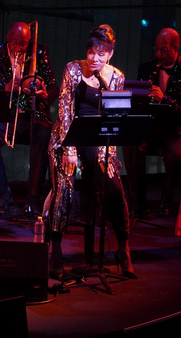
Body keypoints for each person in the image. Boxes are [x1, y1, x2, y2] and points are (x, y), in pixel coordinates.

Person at [47, 24, 136, 280]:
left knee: (114, 186)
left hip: (99, 139)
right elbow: (64, 110)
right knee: (64, 185)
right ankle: (56, 250)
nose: (94, 59)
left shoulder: (116, 76)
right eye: (91, 52)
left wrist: (108, 154)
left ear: (110, 53)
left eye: (101, 53)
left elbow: (114, 118)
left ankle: (123, 248)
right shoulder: (73, 69)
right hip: (67, 138)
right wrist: (69, 149)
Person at [0, 22, 58, 216]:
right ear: (8, 38)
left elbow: (52, 85)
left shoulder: (39, 53)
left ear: (29, 41)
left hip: (32, 113)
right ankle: (3, 194)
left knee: (42, 136)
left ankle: (33, 200)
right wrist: (7, 88)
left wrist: (43, 91)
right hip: (6, 114)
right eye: (15, 43)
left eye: (23, 44)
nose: (18, 47)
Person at [126, 28, 181, 217]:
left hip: (175, 130)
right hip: (150, 129)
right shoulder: (147, 68)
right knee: (131, 147)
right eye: (156, 49)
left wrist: (164, 99)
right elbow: (138, 103)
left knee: (175, 154)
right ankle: (138, 205)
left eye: (163, 50)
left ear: (176, 48)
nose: (158, 54)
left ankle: (167, 203)